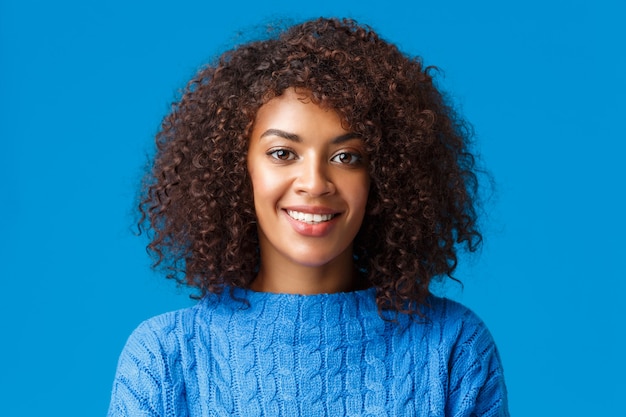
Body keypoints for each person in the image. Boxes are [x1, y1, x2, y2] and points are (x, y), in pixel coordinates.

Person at [107, 17, 509, 416]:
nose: (314, 183)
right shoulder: (164, 359)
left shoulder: (455, 347)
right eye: (283, 153)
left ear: (384, 177)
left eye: (346, 157)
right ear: (236, 167)